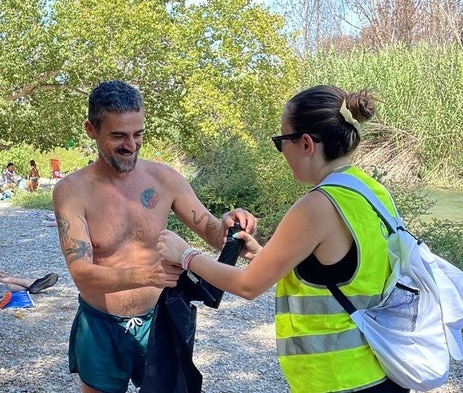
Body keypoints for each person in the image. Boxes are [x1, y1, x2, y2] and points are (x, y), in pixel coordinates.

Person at [156, 85, 410, 393]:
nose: (281, 151)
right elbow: (344, 272)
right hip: (380, 370)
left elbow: (247, 285)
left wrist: (185, 255)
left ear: (305, 144)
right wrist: (265, 254)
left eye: (281, 141)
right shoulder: (370, 190)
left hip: (337, 379)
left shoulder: (316, 206)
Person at [52, 80, 257, 393]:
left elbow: (212, 232)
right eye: (118, 135)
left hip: (159, 321)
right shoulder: (71, 191)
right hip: (101, 327)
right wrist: (148, 274)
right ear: (91, 130)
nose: (131, 145)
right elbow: (82, 274)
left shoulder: (165, 179)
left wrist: (230, 225)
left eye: (138, 134)